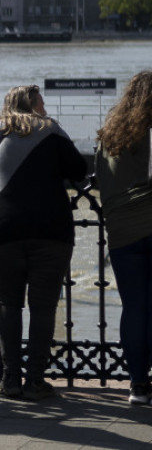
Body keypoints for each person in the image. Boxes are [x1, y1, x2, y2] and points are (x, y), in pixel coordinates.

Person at [0, 84, 87, 400]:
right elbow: (80, 171)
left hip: (3, 227)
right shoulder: (50, 128)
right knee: (42, 307)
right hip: (50, 229)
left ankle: (9, 379)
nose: (44, 106)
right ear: (33, 104)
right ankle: (36, 381)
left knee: (8, 303)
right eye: (41, 101)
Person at [95, 70, 152, 405]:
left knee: (134, 307)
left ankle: (137, 386)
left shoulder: (110, 135)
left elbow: (101, 180)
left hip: (122, 232)